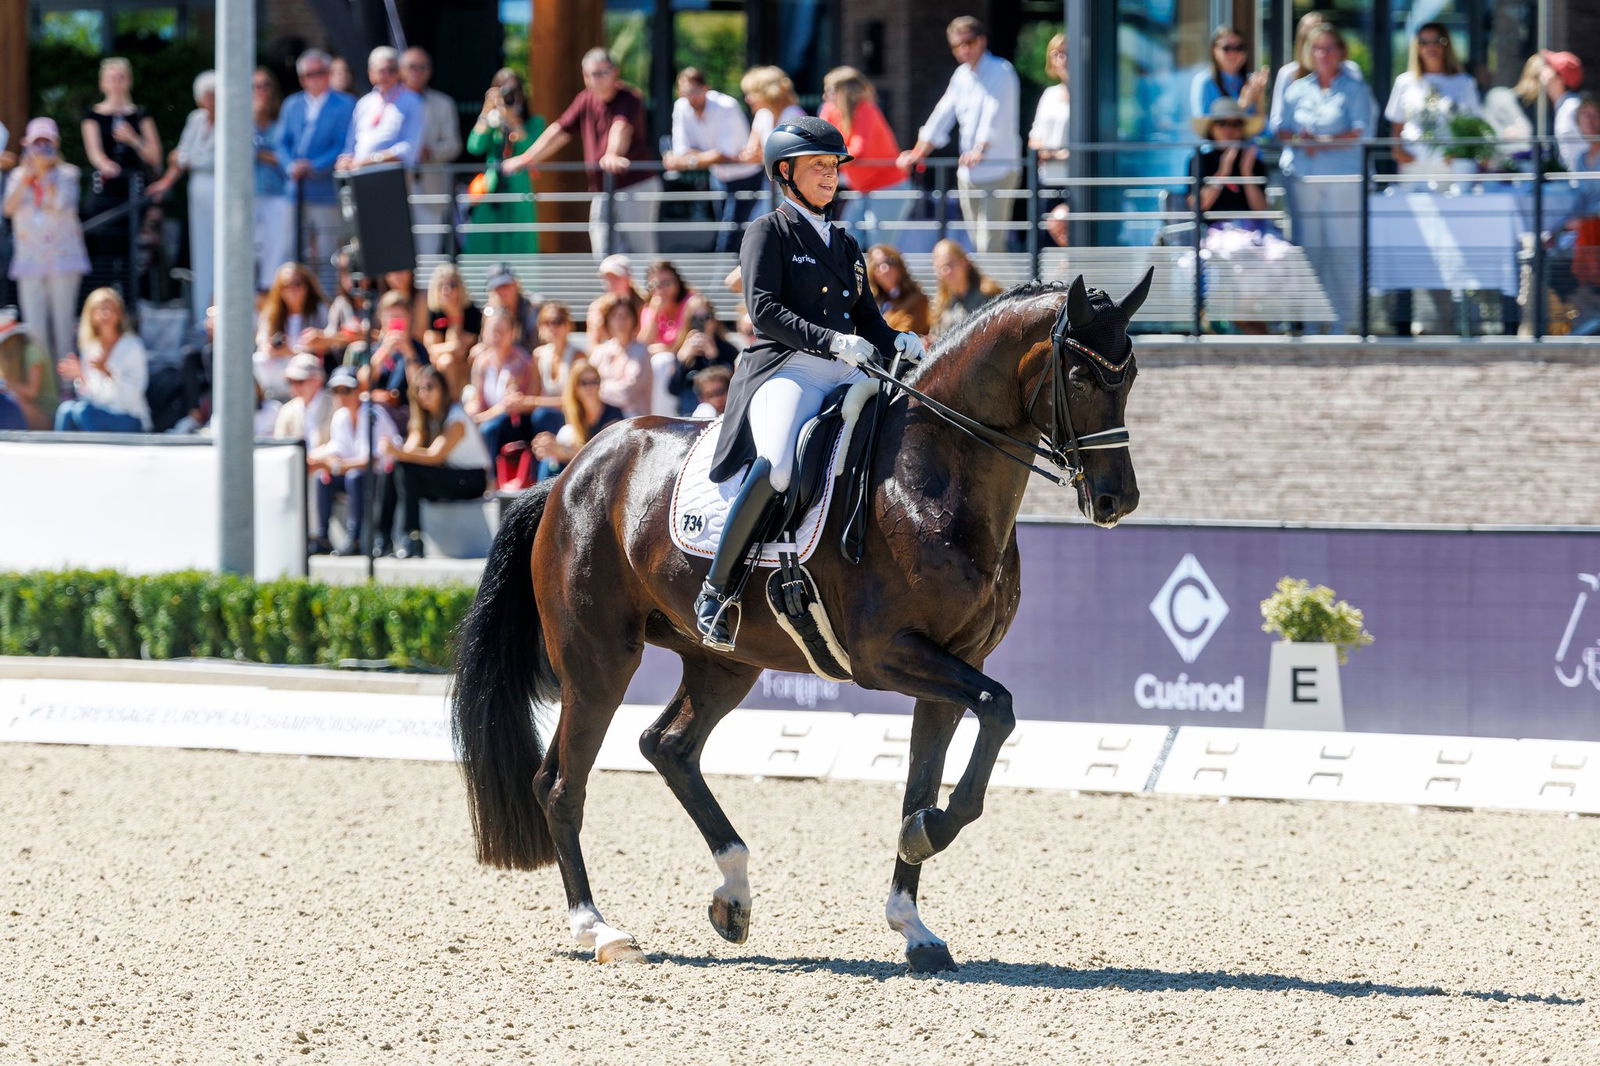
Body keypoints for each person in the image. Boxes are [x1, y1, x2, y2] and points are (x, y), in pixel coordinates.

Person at [694, 116, 926, 651]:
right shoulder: (767, 231)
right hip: (788, 368)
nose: (830, 175)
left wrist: (897, 341)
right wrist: (829, 340)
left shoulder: (844, 241)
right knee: (777, 466)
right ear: (785, 172)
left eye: (833, 166)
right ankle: (716, 591)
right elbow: (764, 311)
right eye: (818, 166)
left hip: (848, 367)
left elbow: (866, 317)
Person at [499, 48, 660, 259]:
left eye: (604, 73)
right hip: (602, 188)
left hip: (635, 186)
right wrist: (526, 158)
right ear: (585, 76)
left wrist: (612, 154)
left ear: (615, 72)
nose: (598, 79)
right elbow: (559, 131)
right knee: (603, 252)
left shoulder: (630, 98)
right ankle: (614, 293)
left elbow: (621, 127)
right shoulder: (585, 99)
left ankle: (650, 293)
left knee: (641, 254)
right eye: (592, 74)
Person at [1276, 24, 1375, 333]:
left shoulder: (1355, 88)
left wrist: (1320, 141)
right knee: (1309, 251)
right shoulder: (1297, 88)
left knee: (1343, 250)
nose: (1324, 54)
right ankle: (1310, 323)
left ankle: (1346, 323)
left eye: (1331, 47)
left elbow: (1361, 133)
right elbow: (1280, 129)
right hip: (1303, 178)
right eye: (1318, 47)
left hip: (1343, 179)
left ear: (1341, 52)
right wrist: (1299, 138)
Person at [897, 17, 1022, 254]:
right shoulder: (961, 76)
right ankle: (993, 290)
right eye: (957, 45)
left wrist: (980, 150)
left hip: (1000, 169)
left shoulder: (1002, 71)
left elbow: (995, 117)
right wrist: (917, 153)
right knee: (976, 243)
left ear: (982, 41)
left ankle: (1000, 291)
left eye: (969, 42)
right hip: (969, 173)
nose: (964, 49)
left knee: (991, 244)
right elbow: (941, 116)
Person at [1190, 98, 1286, 333]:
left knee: (1284, 255)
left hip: (1254, 229)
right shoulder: (1201, 160)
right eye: (1222, 124)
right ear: (1212, 129)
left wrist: (1244, 173)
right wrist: (1223, 171)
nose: (1229, 130)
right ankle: (1241, 318)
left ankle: (1254, 318)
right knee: (1238, 251)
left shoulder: (1253, 163)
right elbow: (1197, 205)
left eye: (1235, 124)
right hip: (1218, 230)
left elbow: (1261, 210)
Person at [378, 364, 492, 559]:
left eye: (430, 387)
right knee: (396, 468)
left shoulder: (456, 417)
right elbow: (409, 451)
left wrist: (397, 451)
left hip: (472, 479)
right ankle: (383, 537)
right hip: (450, 475)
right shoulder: (424, 418)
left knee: (406, 468)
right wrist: (395, 452)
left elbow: (434, 455)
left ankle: (412, 538)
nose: (424, 393)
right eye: (419, 389)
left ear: (443, 390)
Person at [3, 117, 89, 364]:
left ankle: (65, 386)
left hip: (64, 259)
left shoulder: (68, 174)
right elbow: (8, 209)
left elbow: (62, 205)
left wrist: (45, 176)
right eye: (36, 143)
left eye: (46, 143)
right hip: (29, 260)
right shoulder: (18, 176)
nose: (41, 149)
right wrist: (28, 177)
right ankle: (42, 388)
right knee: (35, 329)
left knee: (63, 326)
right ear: (26, 144)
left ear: (56, 143)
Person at [80, 57, 163, 294]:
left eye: (121, 78)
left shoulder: (140, 116)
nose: (116, 84)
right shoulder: (93, 116)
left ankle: (132, 300)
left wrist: (133, 140)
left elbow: (155, 156)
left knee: (132, 250)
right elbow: (94, 153)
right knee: (103, 246)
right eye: (111, 79)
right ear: (102, 83)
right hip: (106, 191)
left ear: (129, 81)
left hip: (134, 191)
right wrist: (106, 165)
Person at [663, 67, 763, 254]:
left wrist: (690, 160)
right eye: (684, 92)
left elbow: (724, 153)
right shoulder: (681, 106)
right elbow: (682, 149)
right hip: (719, 177)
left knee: (730, 238)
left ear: (706, 88)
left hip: (746, 177)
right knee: (730, 233)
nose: (690, 97)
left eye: (694, 91)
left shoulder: (726, 105)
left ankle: (725, 280)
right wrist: (708, 156)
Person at [277, 49, 357, 280]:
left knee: (326, 254)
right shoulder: (292, 104)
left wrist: (313, 166)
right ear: (302, 78)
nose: (316, 78)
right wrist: (290, 166)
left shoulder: (345, 104)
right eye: (309, 74)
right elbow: (281, 142)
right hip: (295, 191)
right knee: (291, 252)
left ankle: (326, 303)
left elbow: (343, 144)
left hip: (326, 192)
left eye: (321, 72)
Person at [145, 71, 217, 323]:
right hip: (198, 189)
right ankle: (202, 315)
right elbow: (178, 156)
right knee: (202, 250)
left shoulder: (230, 118)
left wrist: (186, 159)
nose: (210, 101)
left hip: (219, 189)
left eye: (214, 95)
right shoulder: (195, 119)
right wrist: (164, 182)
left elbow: (195, 158)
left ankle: (218, 312)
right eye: (207, 96)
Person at [308, 364, 401, 555]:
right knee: (323, 478)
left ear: (358, 390)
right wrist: (321, 461)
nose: (341, 395)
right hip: (356, 475)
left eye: (346, 390)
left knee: (354, 477)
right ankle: (323, 537)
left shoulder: (373, 414)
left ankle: (356, 539)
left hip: (384, 480)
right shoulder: (341, 416)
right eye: (336, 390)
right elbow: (338, 450)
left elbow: (371, 461)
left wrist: (333, 465)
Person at [819, 66, 910, 250]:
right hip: (862, 190)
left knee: (881, 249)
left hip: (889, 187)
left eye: (830, 90)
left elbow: (858, 150)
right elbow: (820, 140)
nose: (825, 97)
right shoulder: (831, 110)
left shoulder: (866, 109)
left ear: (846, 92)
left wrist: (828, 157)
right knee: (847, 242)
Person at [465, 68, 544, 256]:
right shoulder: (491, 124)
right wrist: (486, 111)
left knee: (520, 243)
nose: (508, 95)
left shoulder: (534, 122)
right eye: (503, 90)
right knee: (484, 242)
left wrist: (513, 120)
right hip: (491, 189)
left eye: (514, 90)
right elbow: (474, 147)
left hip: (520, 189)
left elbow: (531, 149)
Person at [1385, 24, 1482, 176]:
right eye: (1424, 42)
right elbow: (1397, 125)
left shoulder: (1465, 82)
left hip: (1451, 164)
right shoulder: (1404, 82)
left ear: (1447, 45)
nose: (1431, 47)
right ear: (1416, 46)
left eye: (1437, 41)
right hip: (1413, 163)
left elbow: (1474, 125)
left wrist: (1461, 154)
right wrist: (1399, 152)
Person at [54, 287, 150, 432]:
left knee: (84, 412)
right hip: (96, 413)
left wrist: (107, 372)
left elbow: (132, 395)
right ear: (91, 315)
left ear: (119, 314)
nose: (105, 314)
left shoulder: (132, 346)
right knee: (66, 410)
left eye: (109, 309)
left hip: (129, 416)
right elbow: (93, 397)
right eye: (99, 309)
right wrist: (82, 376)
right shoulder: (91, 348)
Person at [399, 47, 462, 257]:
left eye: (422, 67)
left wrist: (429, 152)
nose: (417, 72)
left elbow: (453, 145)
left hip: (430, 186)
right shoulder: (391, 102)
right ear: (400, 70)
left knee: (428, 251)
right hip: (397, 185)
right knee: (396, 251)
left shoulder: (442, 103)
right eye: (411, 67)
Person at [465, 304, 545, 462]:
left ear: (513, 333)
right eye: (492, 331)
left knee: (490, 429)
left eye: (502, 331)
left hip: (514, 423)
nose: (497, 336)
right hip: (489, 417)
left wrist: (479, 419)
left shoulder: (520, 362)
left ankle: (490, 479)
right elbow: (477, 398)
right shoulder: (481, 361)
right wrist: (470, 413)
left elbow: (508, 406)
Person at [1268, 13, 1365, 140]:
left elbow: (1362, 124)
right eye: (1308, 37)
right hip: (1300, 154)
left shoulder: (1350, 71)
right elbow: (1278, 122)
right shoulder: (1289, 73)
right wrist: (1302, 141)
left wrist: (1321, 141)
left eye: (1325, 42)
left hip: (1341, 155)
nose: (1321, 52)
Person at [531, 356, 622, 482]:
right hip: (581, 472)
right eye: (584, 383)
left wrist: (561, 451)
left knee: (554, 457)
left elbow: (604, 457)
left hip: (604, 475)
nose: (590, 387)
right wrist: (549, 447)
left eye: (594, 381)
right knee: (549, 460)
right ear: (575, 388)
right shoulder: (574, 414)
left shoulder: (613, 414)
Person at [338, 47, 425, 171]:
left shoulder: (412, 101)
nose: (387, 75)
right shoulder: (364, 103)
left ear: (399, 72)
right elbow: (350, 145)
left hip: (393, 176)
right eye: (382, 70)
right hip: (360, 176)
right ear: (370, 73)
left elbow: (410, 149)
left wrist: (373, 159)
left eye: (392, 70)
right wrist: (344, 160)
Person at [254, 262, 329, 401]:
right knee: (258, 360)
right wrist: (271, 348)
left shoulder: (319, 310)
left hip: (308, 367)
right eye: (285, 286)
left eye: (297, 284)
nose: (292, 290)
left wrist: (291, 351)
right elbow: (262, 343)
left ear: (307, 285)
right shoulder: (271, 313)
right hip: (278, 369)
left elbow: (327, 345)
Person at [738, 65, 806, 211]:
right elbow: (751, 151)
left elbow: (791, 156)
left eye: (753, 93)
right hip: (771, 186)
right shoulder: (762, 115)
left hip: (796, 188)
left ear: (770, 92)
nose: (748, 99)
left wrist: (761, 155)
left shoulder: (794, 114)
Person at [252, 69, 293, 292]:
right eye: (255, 86)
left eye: (266, 85)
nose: (261, 91)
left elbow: (285, 158)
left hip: (277, 194)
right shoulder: (239, 124)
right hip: (247, 197)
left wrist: (261, 154)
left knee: (274, 255)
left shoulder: (281, 122)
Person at [1027, 36, 1073, 228]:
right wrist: (1050, 153)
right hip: (1048, 179)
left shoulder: (1087, 93)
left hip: (1075, 180)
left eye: (1066, 54)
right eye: (1056, 54)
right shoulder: (1049, 95)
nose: (1062, 59)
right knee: (1047, 237)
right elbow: (1034, 138)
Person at [586, 293, 652, 418]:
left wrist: (597, 388)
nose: (620, 321)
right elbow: (583, 382)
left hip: (633, 421)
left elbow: (626, 394)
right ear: (607, 320)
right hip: (601, 419)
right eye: (615, 316)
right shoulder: (601, 351)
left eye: (625, 315)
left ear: (634, 319)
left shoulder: (641, 352)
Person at [667, 302, 738, 417]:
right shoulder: (682, 349)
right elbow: (672, 390)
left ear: (714, 320)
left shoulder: (727, 349)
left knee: (707, 410)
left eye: (706, 317)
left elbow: (732, 385)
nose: (702, 323)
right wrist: (683, 361)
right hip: (688, 414)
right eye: (695, 318)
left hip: (721, 413)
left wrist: (713, 357)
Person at [423, 262, 482, 398]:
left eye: (451, 285)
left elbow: (460, 351)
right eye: (441, 286)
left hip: (469, 368)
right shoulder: (435, 312)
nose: (446, 291)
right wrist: (448, 348)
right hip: (441, 367)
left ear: (460, 288)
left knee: (447, 361)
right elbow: (431, 351)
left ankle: (453, 406)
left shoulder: (471, 312)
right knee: (445, 361)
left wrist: (455, 317)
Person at [1190, 26, 1269, 126]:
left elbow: (1265, 132)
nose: (1233, 53)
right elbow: (1206, 128)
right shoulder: (1205, 81)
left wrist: (1259, 100)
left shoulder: (1250, 81)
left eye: (1239, 48)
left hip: (1249, 142)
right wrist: (1241, 107)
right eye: (1227, 48)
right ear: (1214, 51)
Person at [929, 239, 1003, 336]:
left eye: (950, 264)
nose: (946, 271)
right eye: (940, 268)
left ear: (964, 262)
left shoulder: (988, 295)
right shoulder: (940, 305)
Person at [0, 310, 59, 430]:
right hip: (27, 413)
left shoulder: (32, 352)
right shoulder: (11, 360)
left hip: (47, 416)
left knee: (11, 401)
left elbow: (31, 392)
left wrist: (6, 384)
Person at [274, 351, 334, 461]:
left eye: (299, 381)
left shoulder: (335, 404)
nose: (294, 386)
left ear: (317, 380)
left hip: (329, 471)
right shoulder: (286, 411)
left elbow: (340, 444)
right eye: (290, 381)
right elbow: (280, 448)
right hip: (296, 470)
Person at [866, 244, 931, 335]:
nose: (885, 268)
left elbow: (906, 334)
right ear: (872, 273)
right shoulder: (870, 303)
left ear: (899, 266)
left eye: (890, 261)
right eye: (877, 265)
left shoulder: (918, 300)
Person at [585, 254, 645, 344]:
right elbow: (593, 343)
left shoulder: (643, 305)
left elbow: (645, 339)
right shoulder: (597, 307)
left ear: (628, 279)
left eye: (616, 277)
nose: (611, 282)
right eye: (607, 278)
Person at [1542, 51, 1586, 171]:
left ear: (1559, 80)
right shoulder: (1566, 107)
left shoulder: (1571, 108)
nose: (1544, 70)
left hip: (1582, 183)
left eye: (1550, 67)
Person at [530, 299, 580, 401]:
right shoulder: (538, 355)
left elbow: (575, 400)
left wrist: (534, 403)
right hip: (546, 413)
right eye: (547, 322)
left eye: (558, 321)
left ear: (568, 325)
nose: (553, 327)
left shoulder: (578, 356)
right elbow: (534, 393)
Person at [481, 261, 540, 347]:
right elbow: (486, 341)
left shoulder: (532, 306)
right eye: (497, 287)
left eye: (505, 285)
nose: (502, 291)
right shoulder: (489, 311)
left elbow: (537, 341)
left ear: (515, 284)